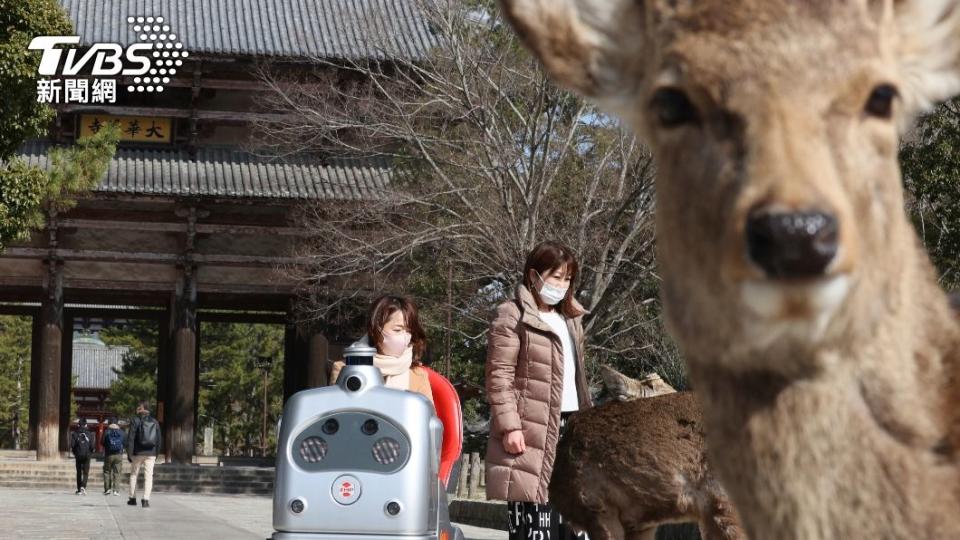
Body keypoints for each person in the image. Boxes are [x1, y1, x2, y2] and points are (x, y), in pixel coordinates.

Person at [484, 241, 593, 540]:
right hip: (531, 429)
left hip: (571, 425)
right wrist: (510, 427)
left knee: (575, 521)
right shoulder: (511, 314)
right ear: (533, 276)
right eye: (556, 276)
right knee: (536, 523)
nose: (562, 284)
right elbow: (499, 375)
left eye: (568, 278)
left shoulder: (570, 319)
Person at [329, 295, 434, 407]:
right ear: (375, 330)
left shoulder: (418, 376)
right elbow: (339, 415)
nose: (405, 336)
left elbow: (428, 421)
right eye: (397, 330)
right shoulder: (345, 369)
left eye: (408, 331)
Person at [127, 401, 161, 508]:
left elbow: (131, 438)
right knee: (149, 477)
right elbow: (159, 439)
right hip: (151, 453)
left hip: (138, 453)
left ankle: (132, 498)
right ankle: (145, 500)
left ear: (143, 409)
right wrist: (156, 453)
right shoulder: (155, 422)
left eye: (139, 407)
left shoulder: (135, 420)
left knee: (133, 475)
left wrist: (129, 453)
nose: (138, 408)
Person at [70, 418, 95, 495]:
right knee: (86, 472)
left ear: (78, 425)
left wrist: (75, 453)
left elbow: (72, 446)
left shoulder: (75, 434)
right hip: (87, 455)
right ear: (86, 425)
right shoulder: (90, 434)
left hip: (78, 455)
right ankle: (83, 486)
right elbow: (92, 446)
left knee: (79, 472)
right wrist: (90, 453)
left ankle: (79, 489)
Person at [101, 416, 125, 496]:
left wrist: (108, 446)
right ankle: (116, 490)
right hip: (119, 454)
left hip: (108, 454)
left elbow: (102, 442)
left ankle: (107, 489)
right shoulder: (121, 432)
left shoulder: (107, 431)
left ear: (109, 422)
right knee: (117, 472)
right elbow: (125, 442)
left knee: (107, 471)